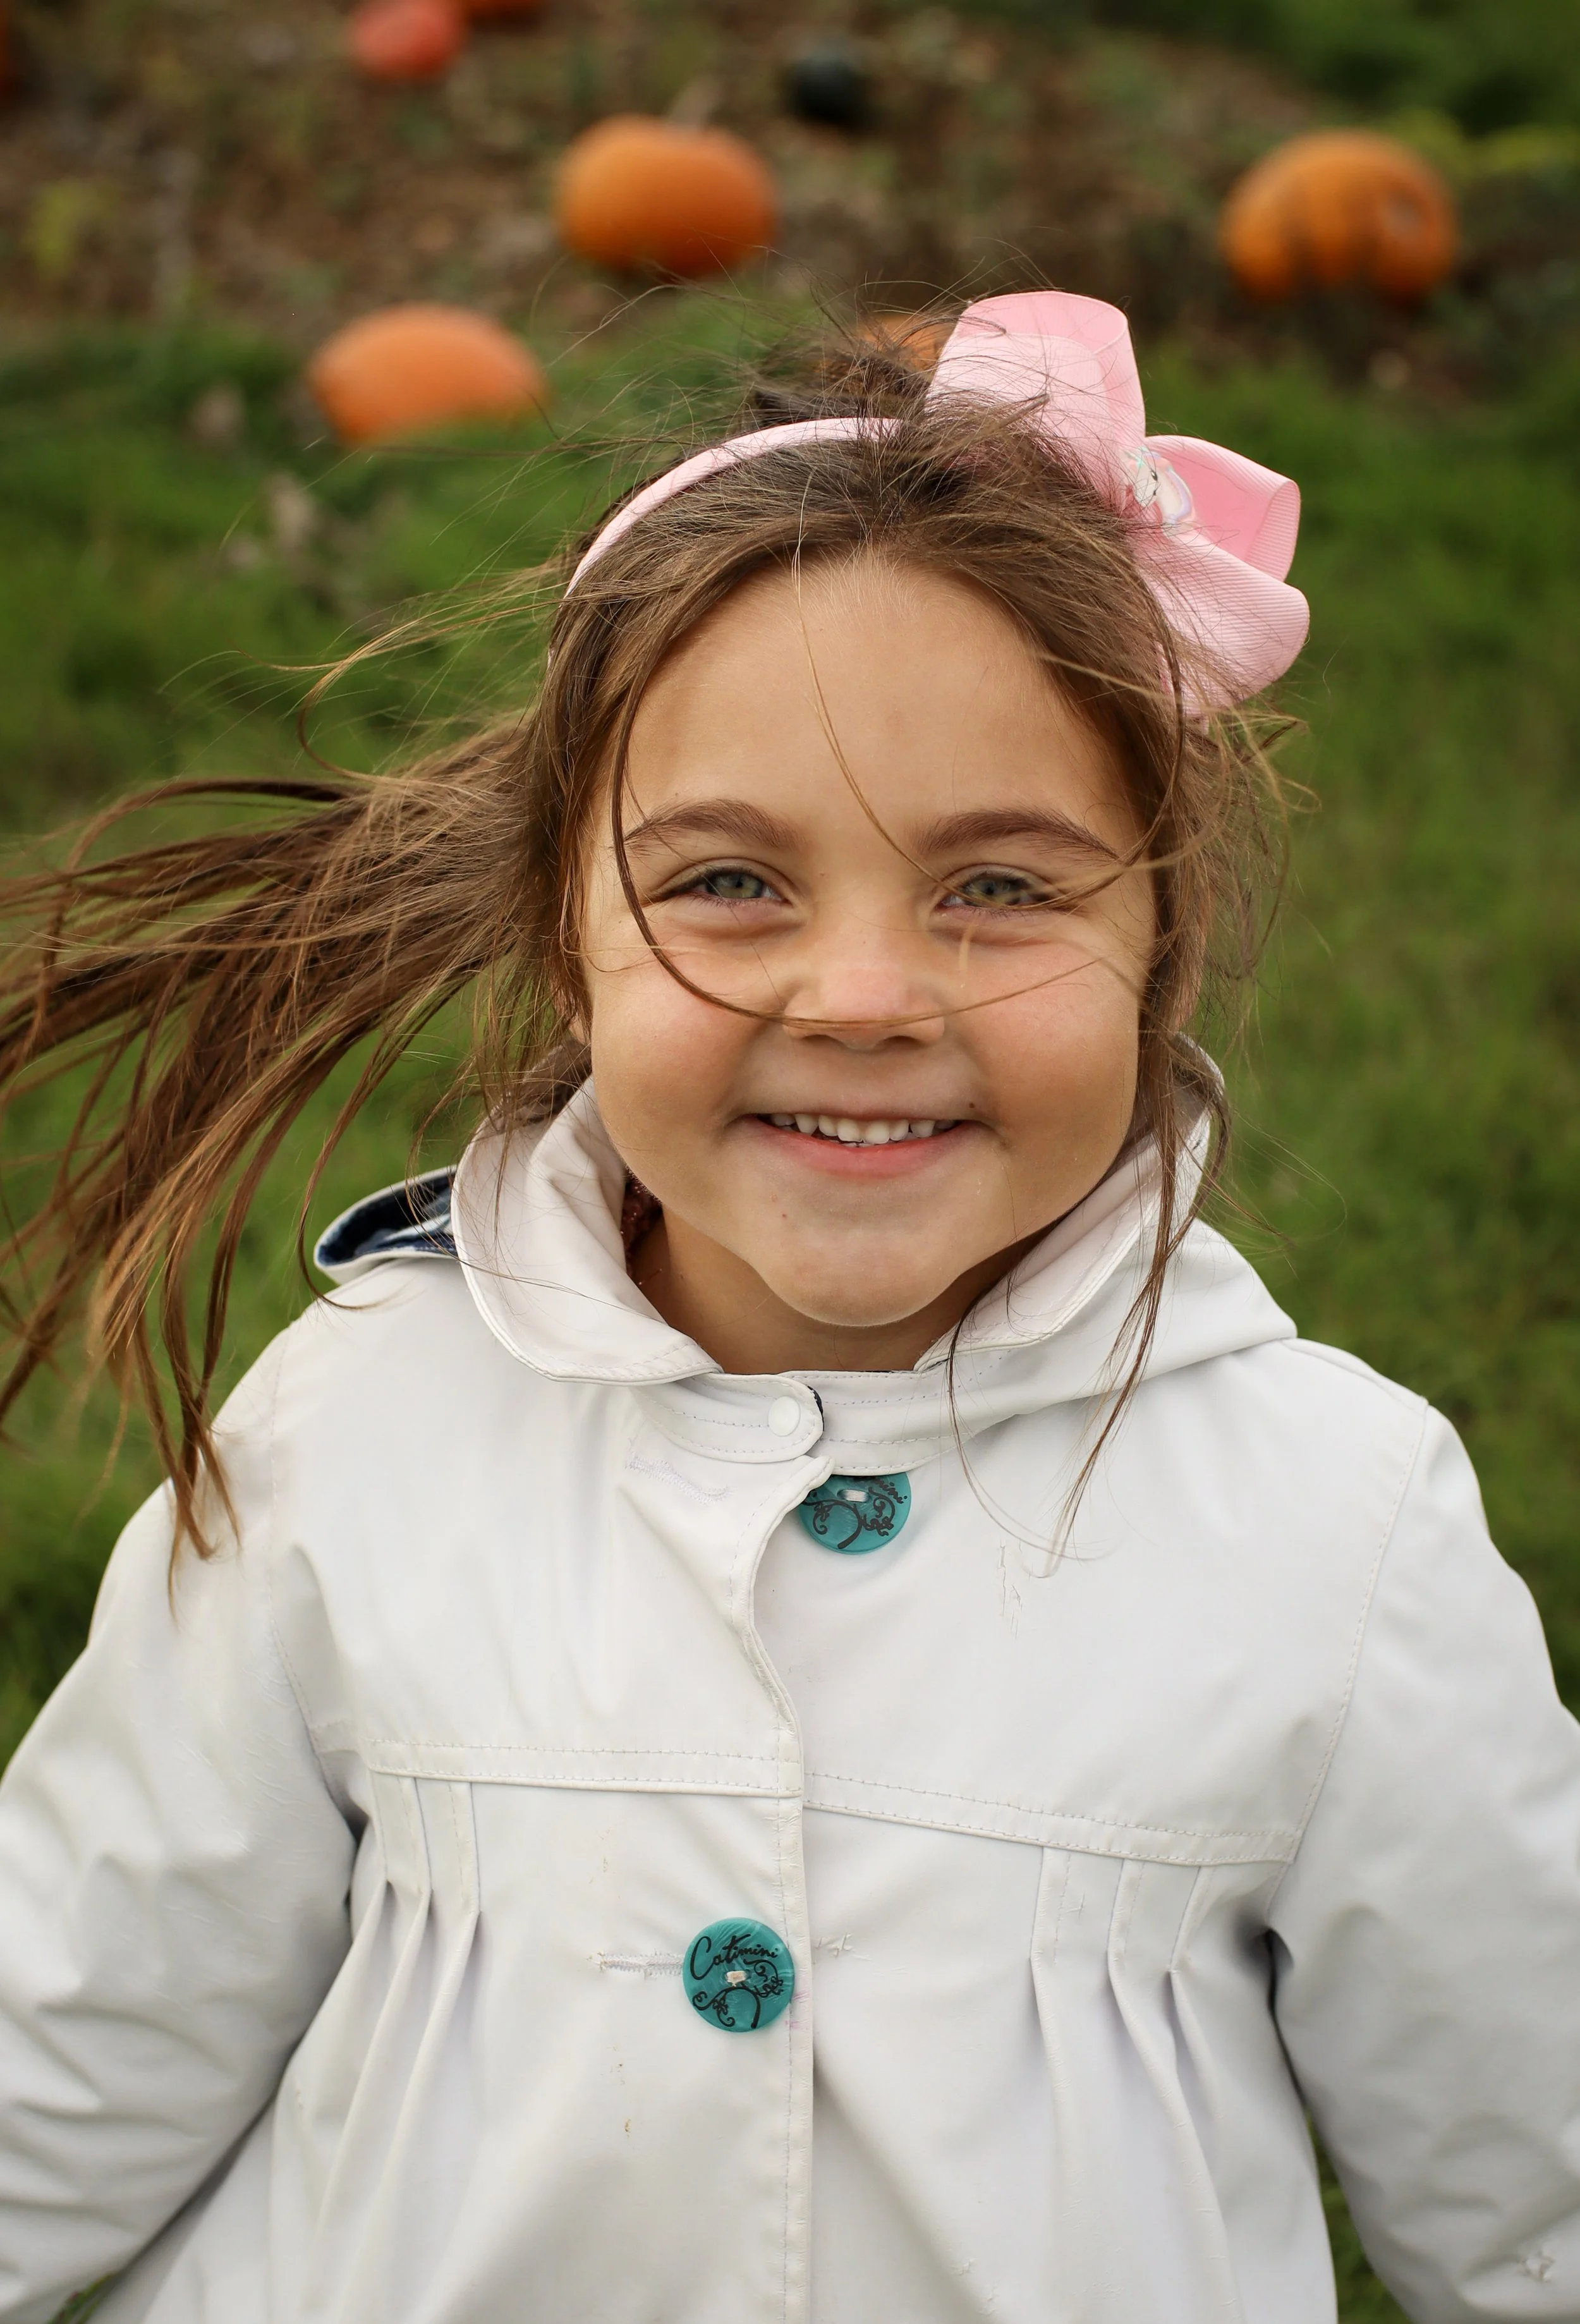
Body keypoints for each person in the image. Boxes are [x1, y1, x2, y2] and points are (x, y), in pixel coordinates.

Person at [0, 290, 1575, 2324]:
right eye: (732, 880)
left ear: (1158, 951)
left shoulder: (1331, 1526)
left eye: (997, 887)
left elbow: (1531, 2189)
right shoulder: (360, 1424)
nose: (858, 993)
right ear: (568, 939)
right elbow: (68, 2035)